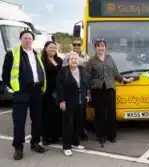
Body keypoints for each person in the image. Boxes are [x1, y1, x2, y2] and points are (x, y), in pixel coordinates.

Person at [2, 30, 47, 160]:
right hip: (22, 92)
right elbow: (5, 74)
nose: (28, 40)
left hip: (36, 91)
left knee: (37, 120)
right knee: (19, 121)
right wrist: (14, 88)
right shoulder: (12, 53)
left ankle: (35, 143)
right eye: (25, 38)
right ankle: (18, 147)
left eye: (30, 38)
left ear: (33, 40)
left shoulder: (36, 53)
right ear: (21, 39)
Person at [86, 38, 133, 145]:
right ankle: (100, 136)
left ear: (105, 48)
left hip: (110, 88)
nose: (100, 48)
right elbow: (88, 77)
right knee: (100, 113)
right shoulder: (91, 61)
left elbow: (115, 73)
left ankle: (111, 135)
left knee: (111, 113)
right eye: (98, 46)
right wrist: (87, 91)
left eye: (102, 46)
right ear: (95, 48)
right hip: (97, 89)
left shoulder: (109, 58)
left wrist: (124, 79)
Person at [56, 51, 89, 156]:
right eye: (72, 59)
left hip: (80, 102)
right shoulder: (64, 70)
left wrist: (86, 96)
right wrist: (61, 101)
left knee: (78, 124)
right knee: (68, 125)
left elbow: (85, 84)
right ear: (68, 61)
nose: (74, 60)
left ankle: (76, 143)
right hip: (68, 102)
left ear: (79, 60)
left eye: (76, 58)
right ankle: (66, 146)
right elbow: (59, 87)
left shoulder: (82, 70)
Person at [63, 38, 90, 140]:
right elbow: (64, 72)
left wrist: (88, 91)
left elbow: (88, 73)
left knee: (82, 113)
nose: (77, 46)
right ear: (72, 45)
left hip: (83, 88)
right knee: (71, 115)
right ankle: (72, 136)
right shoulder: (67, 57)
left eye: (79, 44)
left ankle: (81, 132)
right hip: (71, 89)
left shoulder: (87, 57)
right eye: (75, 44)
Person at [41, 41, 63, 145]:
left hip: (57, 90)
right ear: (45, 48)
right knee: (46, 114)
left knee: (56, 113)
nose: (53, 49)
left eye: (55, 48)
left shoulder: (59, 60)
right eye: (50, 47)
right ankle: (45, 137)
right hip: (47, 91)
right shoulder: (41, 60)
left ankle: (55, 135)